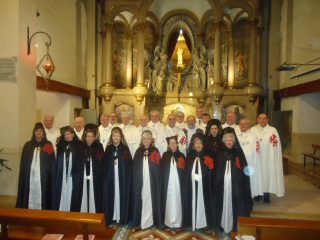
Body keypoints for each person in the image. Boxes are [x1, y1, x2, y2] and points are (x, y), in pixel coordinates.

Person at [215, 132, 252, 235]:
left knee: (234, 204)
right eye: (227, 140)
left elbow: (245, 169)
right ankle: (222, 224)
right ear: (223, 142)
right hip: (222, 186)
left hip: (236, 186)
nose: (229, 142)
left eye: (231, 140)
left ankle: (234, 225)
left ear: (234, 142)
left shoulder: (239, 153)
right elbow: (216, 170)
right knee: (223, 203)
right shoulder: (219, 153)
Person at [16, 122, 55, 210]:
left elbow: (52, 162)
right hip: (29, 176)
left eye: (41, 131)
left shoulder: (48, 145)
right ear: (34, 132)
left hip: (43, 177)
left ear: (43, 133)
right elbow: (24, 163)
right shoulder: (28, 145)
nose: (38, 133)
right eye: (37, 131)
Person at [184, 133, 216, 231]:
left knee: (204, 203)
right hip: (192, 187)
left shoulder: (208, 157)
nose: (198, 145)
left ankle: (204, 222)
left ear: (204, 145)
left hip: (204, 187)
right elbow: (186, 174)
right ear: (193, 145)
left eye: (200, 143)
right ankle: (191, 221)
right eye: (196, 143)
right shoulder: (189, 157)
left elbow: (211, 174)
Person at [130, 130, 162, 229]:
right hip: (141, 181)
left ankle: (152, 220)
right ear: (142, 140)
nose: (146, 140)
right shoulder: (138, 151)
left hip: (152, 181)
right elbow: (134, 168)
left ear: (151, 139)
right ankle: (139, 219)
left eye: (148, 138)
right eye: (144, 138)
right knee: (141, 197)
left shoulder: (155, 150)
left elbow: (158, 167)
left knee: (151, 198)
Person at [250, 113, 285, 202]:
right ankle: (257, 193)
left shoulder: (272, 130)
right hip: (256, 158)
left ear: (267, 120)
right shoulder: (252, 130)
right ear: (257, 119)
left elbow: (276, 146)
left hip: (268, 158)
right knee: (257, 175)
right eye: (260, 118)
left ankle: (266, 194)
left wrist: (274, 157)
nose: (262, 120)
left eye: (264, 118)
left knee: (267, 175)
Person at [102, 127, 132, 226]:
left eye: (117, 135)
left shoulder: (125, 149)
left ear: (121, 137)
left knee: (121, 195)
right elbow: (104, 164)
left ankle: (121, 218)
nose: (115, 137)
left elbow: (129, 164)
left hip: (122, 178)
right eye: (114, 135)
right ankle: (112, 217)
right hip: (111, 178)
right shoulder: (108, 148)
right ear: (111, 136)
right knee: (112, 195)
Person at [54, 126, 84, 211]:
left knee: (72, 191)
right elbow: (58, 160)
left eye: (68, 134)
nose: (66, 136)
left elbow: (80, 161)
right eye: (65, 135)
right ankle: (62, 207)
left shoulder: (79, 145)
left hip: (73, 174)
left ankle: (71, 209)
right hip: (62, 173)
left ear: (73, 134)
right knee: (62, 189)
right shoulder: (61, 145)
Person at [160, 136, 186, 229]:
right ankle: (168, 220)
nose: (173, 144)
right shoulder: (165, 155)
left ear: (177, 144)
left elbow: (184, 171)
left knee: (178, 200)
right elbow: (162, 171)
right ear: (168, 145)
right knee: (169, 200)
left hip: (178, 184)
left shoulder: (181, 155)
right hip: (168, 184)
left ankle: (178, 221)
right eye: (170, 143)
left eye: (174, 142)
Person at [78, 125, 104, 213]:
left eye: (91, 136)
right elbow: (78, 161)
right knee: (83, 194)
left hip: (95, 174)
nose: (89, 138)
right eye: (87, 136)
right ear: (85, 137)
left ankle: (94, 212)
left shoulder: (99, 146)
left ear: (94, 137)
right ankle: (83, 211)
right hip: (83, 174)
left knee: (94, 195)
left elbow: (101, 161)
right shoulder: (81, 146)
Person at [237, 118, 263, 198]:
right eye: (241, 124)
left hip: (250, 162)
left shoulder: (253, 136)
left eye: (245, 124)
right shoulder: (236, 135)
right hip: (238, 162)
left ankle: (250, 195)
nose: (243, 125)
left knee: (250, 179)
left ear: (248, 125)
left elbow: (256, 151)